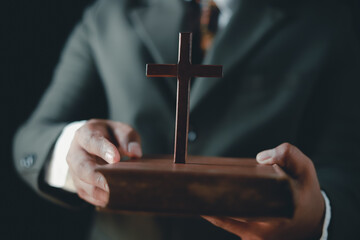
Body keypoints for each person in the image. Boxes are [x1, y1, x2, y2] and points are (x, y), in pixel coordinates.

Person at [13, 0, 360, 239]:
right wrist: (70, 150)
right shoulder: (108, 15)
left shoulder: (328, 21)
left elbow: (346, 170)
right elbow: (32, 138)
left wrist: (316, 216)